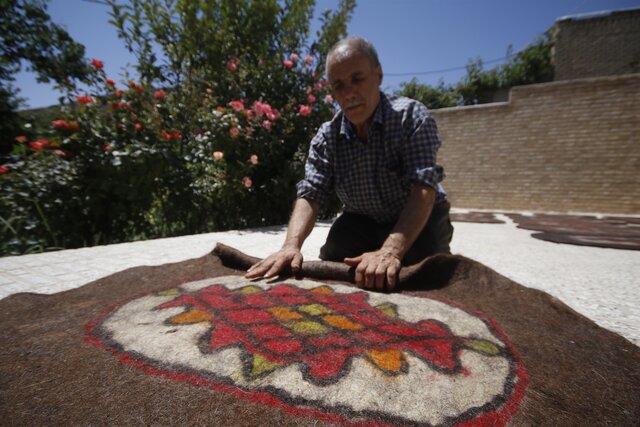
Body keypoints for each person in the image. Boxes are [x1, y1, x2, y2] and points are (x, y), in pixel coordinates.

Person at [246, 37, 453, 291]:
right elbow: (311, 192)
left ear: (378, 74)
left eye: (357, 79)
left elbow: (423, 189)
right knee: (335, 255)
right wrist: (291, 246)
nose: (349, 93)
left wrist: (391, 251)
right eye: (339, 85)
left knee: (429, 269)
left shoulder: (410, 117)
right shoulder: (327, 137)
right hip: (363, 218)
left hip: (418, 216)